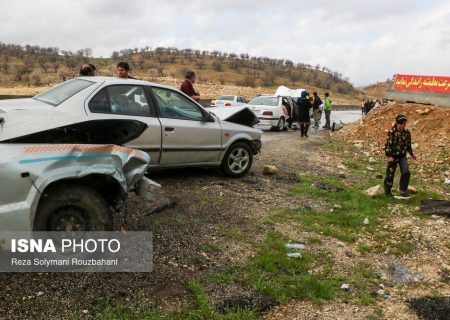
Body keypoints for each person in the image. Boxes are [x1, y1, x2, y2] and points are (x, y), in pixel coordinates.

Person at [384, 115, 416, 197]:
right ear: (397, 123)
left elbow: (408, 145)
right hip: (393, 156)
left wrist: (412, 154)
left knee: (406, 172)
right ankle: (388, 191)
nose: (403, 126)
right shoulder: (392, 133)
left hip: (402, 156)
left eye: (404, 124)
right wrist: (389, 156)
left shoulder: (407, 132)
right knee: (390, 174)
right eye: (401, 124)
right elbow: (387, 145)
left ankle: (403, 189)